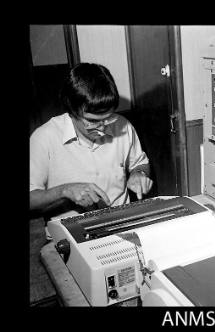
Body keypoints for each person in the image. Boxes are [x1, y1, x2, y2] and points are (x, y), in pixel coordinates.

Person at [30, 63, 153, 238]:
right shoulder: (44, 138)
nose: (102, 128)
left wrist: (139, 174)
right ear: (72, 112)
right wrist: (65, 191)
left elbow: (140, 163)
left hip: (122, 225)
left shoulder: (123, 125)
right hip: (70, 235)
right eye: (93, 121)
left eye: (108, 118)